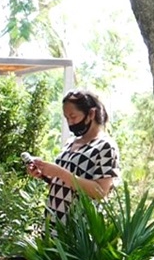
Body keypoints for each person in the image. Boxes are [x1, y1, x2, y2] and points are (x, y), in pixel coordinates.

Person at [27, 89, 120, 222]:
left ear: (91, 114)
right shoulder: (71, 142)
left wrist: (59, 172)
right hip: (54, 221)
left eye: (73, 117)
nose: (70, 122)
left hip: (79, 226)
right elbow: (65, 183)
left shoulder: (105, 146)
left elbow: (101, 191)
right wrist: (44, 173)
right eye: (67, 118)